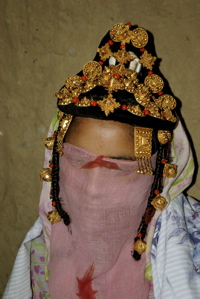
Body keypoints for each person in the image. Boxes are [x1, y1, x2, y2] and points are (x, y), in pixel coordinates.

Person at [3, 22, 200, 299]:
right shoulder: (39, 255)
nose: (93, 189)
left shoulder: (191, 256)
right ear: (54, 160)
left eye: (119, 168)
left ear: (161, 172)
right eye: (77, 161)